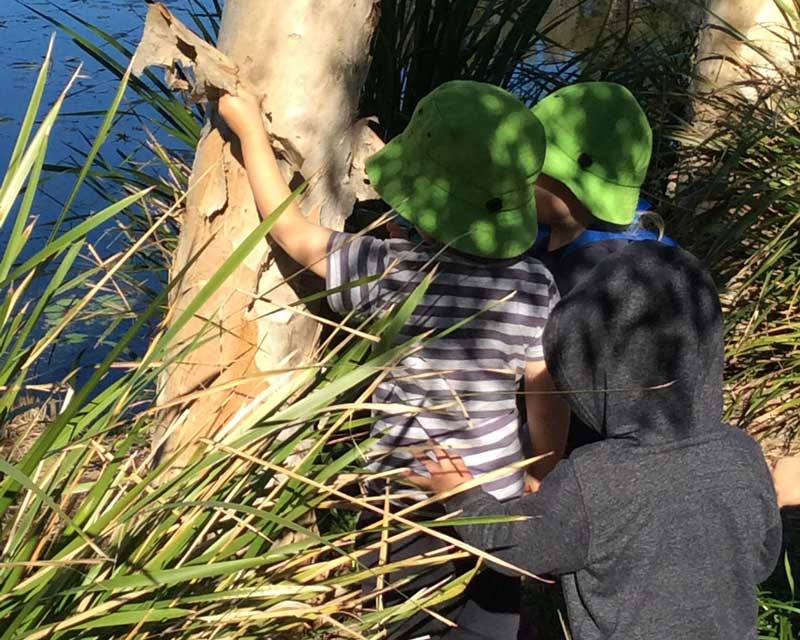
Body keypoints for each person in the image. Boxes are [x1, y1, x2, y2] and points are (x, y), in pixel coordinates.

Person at [218, 80, 570, 639]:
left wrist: (250, 132)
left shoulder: (391, 269)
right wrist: (542, 470)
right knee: (492, 618)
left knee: (398, 619)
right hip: (495, 499)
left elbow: (287, 231)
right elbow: (544, 393)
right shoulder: (534, 284)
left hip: (402, 501)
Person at [407, 241, 783, 640]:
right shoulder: (742, 453)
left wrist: (461, 494)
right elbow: (760, 560)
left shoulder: (593, 480)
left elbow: (512, 549)